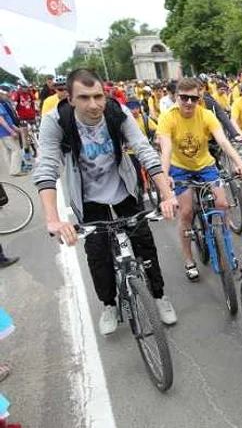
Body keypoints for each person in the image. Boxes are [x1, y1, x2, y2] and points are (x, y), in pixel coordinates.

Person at [33, 68, 179, 335]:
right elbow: (46, 168)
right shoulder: (55, 120)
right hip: (87, 195)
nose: (94, 105)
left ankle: (158, 296)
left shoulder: (116, 112)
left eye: (98, 96)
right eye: (85, 98)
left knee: (144, 241)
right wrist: (52, 219)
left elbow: (145, 150)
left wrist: (167, 195)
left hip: (122, 186)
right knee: (97, 251)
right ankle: (109, 304)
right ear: (70, 99)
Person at [157, 77, 242, 280]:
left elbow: (223, 142)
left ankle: (227, 249)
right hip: (180, 168)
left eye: (194, 98)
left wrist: (239, 163)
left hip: (206, 166)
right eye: (184, 98)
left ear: (200, 98)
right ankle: (189, 261)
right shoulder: (168, 117)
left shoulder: (207, 115)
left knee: (223, 203)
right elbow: (165, 151)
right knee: (187, 213)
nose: (189, 102)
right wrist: (164, 178)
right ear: (176, 97)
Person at [0, 90, 23, 177]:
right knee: (16, 150)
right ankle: (15, 170)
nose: (5, 96)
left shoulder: (2, 104)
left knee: (6, 151)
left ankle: (11, 170)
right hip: (5, 131)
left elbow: (7, 119)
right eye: (3, 94)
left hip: (3, 132)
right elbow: (2, 120)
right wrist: (11, 131)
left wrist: (15, 128)